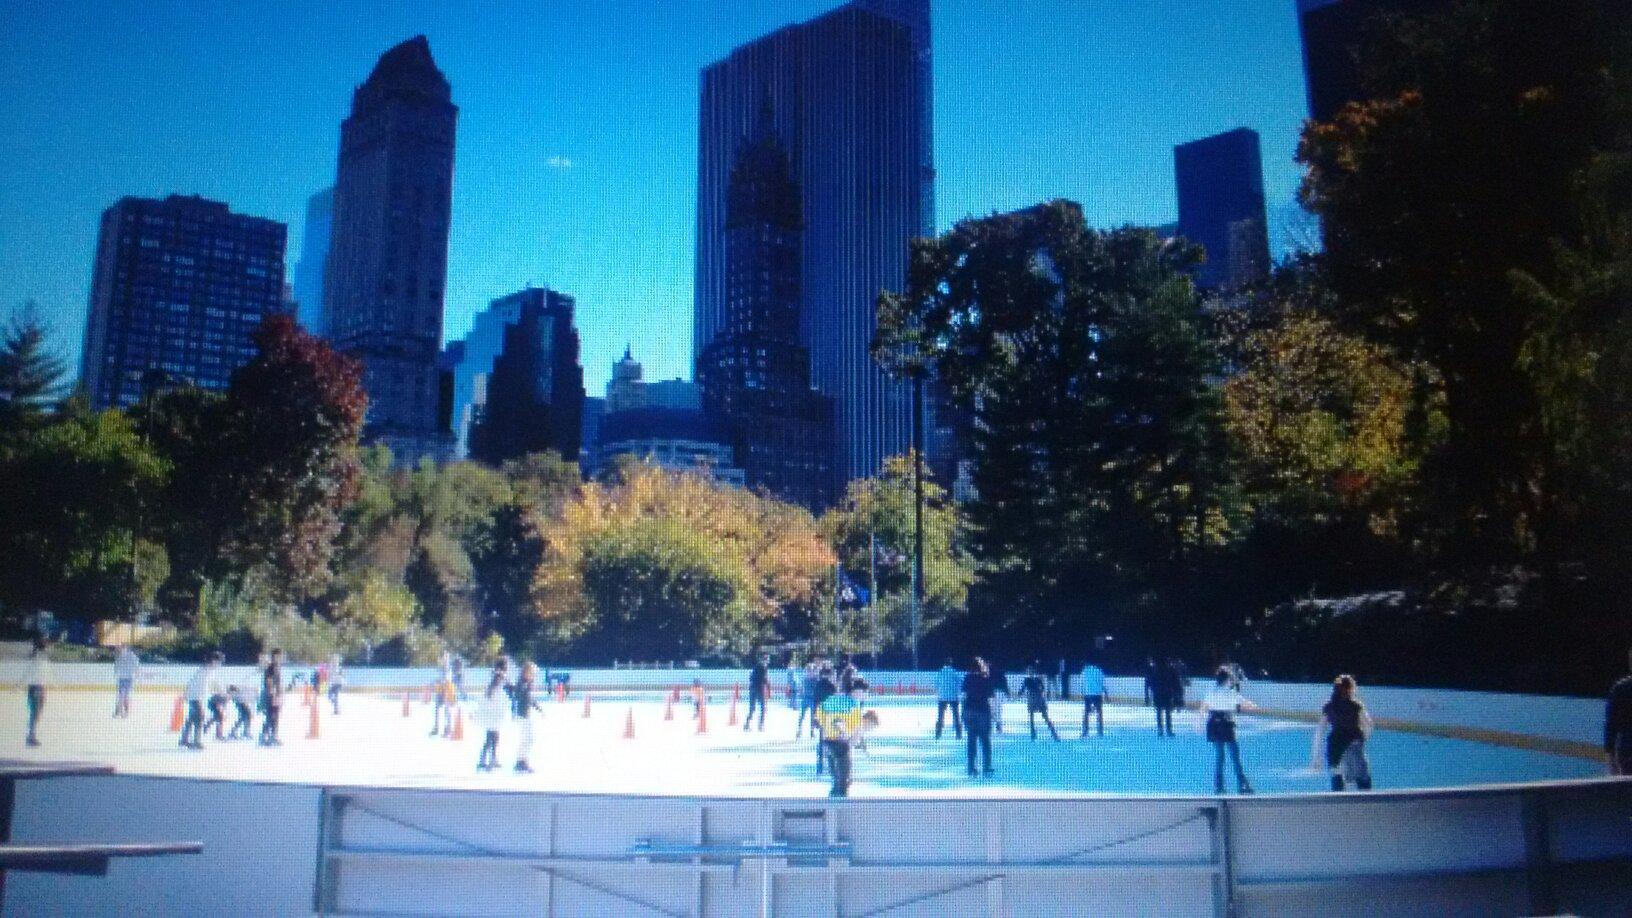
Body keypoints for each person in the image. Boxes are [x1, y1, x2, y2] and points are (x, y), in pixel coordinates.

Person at [817, 680, 879, 797]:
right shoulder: (853, 705)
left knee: (837, 781)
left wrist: (826, 728)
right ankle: (841, 806)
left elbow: (820, 712)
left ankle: (833, 803)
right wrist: (843, 731)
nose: (865, 696)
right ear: (858, 691)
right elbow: (849, 729)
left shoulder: (835, 698)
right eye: (865, 693)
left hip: (827, 742)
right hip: (840, 744)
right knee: (844, 782)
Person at [1198, 667, 1255, 794]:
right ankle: (1242, 784)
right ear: (1226, 680)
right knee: (1235, 756)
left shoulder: (1212, 691)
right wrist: (1253, 706)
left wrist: (1199, 724)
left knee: (1220, 757)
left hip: (1214, 725)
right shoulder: (1230, 692)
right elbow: (1244, 703)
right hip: (1226, 725)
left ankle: (1219, 786)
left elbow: (1203, 707)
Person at [1313, 675, 1374, 791]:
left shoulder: (1329, 707)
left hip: (1334, 747)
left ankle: (1339, 806)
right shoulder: (1356, 706)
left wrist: (1316, 757)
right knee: (1363, 781)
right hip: (1353, 745)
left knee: (1337, 780)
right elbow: (1369, 725)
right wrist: (1363, 737)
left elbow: (1319, 731)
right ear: (1351, 688)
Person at [962, 658, 998, 776]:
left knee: (971, 741)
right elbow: (991, 699)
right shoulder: (986, 679)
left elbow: (963, 696)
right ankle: (986, 768)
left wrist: (963, 713)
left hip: (969, 711)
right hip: (983, 712)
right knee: (985, 741)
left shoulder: (967, 678)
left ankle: (971, 768)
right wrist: (995, 717)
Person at [181, 652, 223, 750]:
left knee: (192, 717)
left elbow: (210, 683)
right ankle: (197, 741)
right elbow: (214, 682)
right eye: (218, 662)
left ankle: (184, 739)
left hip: (195, 696)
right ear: (213, 661)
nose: (219, 664)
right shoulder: (207, 670)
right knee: (200, 717)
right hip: (195, 697)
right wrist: (222, 691)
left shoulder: (205, 669)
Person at [475, 661, 510, 772]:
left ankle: (487, 759)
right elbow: (492, 691)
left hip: (493, 712)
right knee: (492, 737)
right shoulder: (498, 676)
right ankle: (488, 760)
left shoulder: (497, 676)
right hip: (494, 712)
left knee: (492, 737)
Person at [512, 661, 546, 773]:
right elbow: (517, 694)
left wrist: (538, 708)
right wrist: (526, 687)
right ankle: (521, 761)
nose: (534, 675)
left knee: (528, 739)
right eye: (533, 672)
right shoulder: (522, 682)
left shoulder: (527, 683)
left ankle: (522, 760)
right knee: (528, 739)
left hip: (526, 714)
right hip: (522, 715)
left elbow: (530, 699)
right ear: (527, 672)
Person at [1603, 646, 1632, 776]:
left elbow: (1610, 726)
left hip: (1626, 749)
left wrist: (1610, 761)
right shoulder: (1620, 688)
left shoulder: (1620, 688)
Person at [1020, 665, 1060, 741]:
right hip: (1039, 699)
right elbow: (1042, 688)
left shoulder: (1028, 680)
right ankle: (1053, 733)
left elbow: (1022, 690)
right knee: (1043, 717)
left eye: (1029, 671)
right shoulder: (1037, 679)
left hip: (1033, 700)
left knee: (1034, 718)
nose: (1029, 672)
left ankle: (1034, 735)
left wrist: (1019, 694)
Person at [812, 664, 839, 774]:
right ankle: (831, 765)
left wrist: (814, 718)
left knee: (822, 740)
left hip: (820, 714)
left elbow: (815, 701)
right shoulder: (832, 686)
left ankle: (820, 764)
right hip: (830, 715)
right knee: (831, 740)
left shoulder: (817, 685)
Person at [23, 637, 49, 748]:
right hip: (36, 687)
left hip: (39, 687)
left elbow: (44, 672)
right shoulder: (38, 657)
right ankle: (31, 736)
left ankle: (31, 735)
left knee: (36, 713)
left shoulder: (41, 657)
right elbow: (29, 673)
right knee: (35, 713)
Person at [258, 648, 285, 746]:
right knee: (270, 716)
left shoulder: (278, 667)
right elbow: (269, 681)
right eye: (278, 656)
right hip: (270, 695)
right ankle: (265, 736)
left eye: (280, 656)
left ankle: (273, 736)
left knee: (275, 716)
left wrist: (280, 693)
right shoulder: (271, 667)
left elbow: (279, 682)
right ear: (274, 656)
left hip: (276, 695)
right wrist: (272, 693)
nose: (280, 658)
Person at [1152, 658, 1181, 737]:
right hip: (1166, 694)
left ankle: (1161, 729)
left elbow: (1153, 683)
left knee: (1161, 712)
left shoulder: (1156, 670)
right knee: (1167, 712)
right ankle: (1167, 730)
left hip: (1160, 694)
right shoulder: (1171, 670)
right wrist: (1177, 693)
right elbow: (1176, 683)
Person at [934, 660, 963, 740]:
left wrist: (939, 692)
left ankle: (938, 733)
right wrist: (958, 691)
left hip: (942, 697)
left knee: (940, 716)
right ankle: (958, 734)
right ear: (951, 664)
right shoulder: (954, 672)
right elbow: (960, 682)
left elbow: (936, 684)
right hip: (953, 696)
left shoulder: (940, 672)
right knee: (956, 715)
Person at [1079, 658, 1107, 738]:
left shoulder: (1084, 671)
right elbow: (1102, 682)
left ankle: (1085, 731)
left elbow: (1082, 683)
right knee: (1099, 712)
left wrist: (1082, 692)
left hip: (1088, 694)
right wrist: (1105, 692)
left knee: (1086, 713)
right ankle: (1100, 730)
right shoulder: (1099, 671)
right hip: (1097, 694)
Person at [431, 653, 457, 737]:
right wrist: (434, 683)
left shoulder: (448, 668)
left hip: (447, 689)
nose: (444, 659)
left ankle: (448, 729)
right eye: (443, 657)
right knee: (437, 709)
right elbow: (438, 678)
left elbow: (447, 678)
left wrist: (441, 682)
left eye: (446, 657)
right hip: (440, 689)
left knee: (447, 709)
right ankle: (436, 728)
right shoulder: (439, 668)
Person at [113, 644, 140, 718]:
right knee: (124, 695)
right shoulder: (130, 656)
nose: (120, 649)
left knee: (123, 695)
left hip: (125, 678)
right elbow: (136, 666)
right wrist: (137, 673)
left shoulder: (122, 656)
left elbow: (116, 666)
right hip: (126, 678)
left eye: (121, 647)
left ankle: (121, 712)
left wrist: (116, 672)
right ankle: (122, 712)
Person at [745, 655, 770, 732]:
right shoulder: (764, 667)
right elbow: (764, 679)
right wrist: (768, 686)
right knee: (762, 708)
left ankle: (747, 724)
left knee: (752, 708)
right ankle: (760, 725)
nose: (768, 661)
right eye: (767, 660)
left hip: (752, 688)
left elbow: (751, 677)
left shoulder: (756, 666)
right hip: (759, 689)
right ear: (765, 660)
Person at [795, 661, 820, 738]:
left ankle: (811, 732)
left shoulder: (815, 680)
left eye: (812, 671)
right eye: (809, 670)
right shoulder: (805, 679)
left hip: (812, 700)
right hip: (805, 699)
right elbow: (801, 688)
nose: (810, 672)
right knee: (802, 715)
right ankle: (799, 730)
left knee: (812, 717)